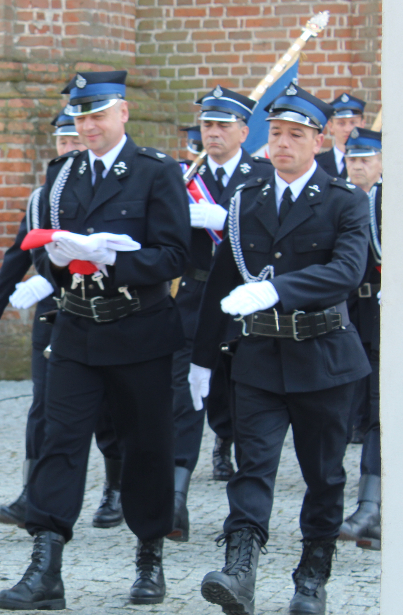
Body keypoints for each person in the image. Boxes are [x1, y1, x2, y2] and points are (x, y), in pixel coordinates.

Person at [0, 71, 189, 610]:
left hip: (140, 330)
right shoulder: (62, 176)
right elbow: (47, 251)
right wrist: (54, 261)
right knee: (60, 442)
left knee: (146, 446)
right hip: (78, 328)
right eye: (80, 117)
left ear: (122, 113)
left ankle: (149, 556)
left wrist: (116, 259)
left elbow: (176, 256)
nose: (88, 126)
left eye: (97, 114)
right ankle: (46, 565)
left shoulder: (155, 171)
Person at [190, 83, 371, 615]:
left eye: (296, 135)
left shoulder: (345, 201)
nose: (283, 144)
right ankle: (240, 572)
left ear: (318, 140)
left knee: (325, 474)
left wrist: (277, 289)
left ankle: (311, 578)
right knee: (253, 467)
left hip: (324, 357)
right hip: (260, 358)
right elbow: (221, 283)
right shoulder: (246, 201)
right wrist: (203, 357)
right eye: (276, 133)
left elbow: (345, 272)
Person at [0, 108, 123, 529]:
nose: (71, 148)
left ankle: (115, 489)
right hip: (54, 318)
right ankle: (33, 492)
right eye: (64, 141)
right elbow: (20, 252)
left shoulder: (109, 189)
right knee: (43, 407)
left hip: (100, 311)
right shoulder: (47, 196)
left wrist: (51, 282)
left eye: (76, 141)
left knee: (108, 409)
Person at [170, 86, 273, 543]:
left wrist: (227, 219)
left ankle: (244, 514)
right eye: (207, 125)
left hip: (246, 301)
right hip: (195, 297)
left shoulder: (263, 174)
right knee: (184, 399)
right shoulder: (181, 178)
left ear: (244, 133)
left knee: (243, 400)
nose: (213, 133)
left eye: (223, 126)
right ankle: (174, 497)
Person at [339, 127, 383, 551]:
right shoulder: (342, 199)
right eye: (353, 159)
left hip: (388, 319)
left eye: (366, 159)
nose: (358, 166)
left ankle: (371, 507)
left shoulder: (391, 199)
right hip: (352, 317)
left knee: (378, 411)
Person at [315, 93, 366, 179]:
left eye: (353, 122)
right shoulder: (316, 164)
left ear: (362, 124)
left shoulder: (372, 164)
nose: (347, 129)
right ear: (331, 126)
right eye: (341, 123)